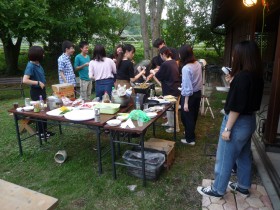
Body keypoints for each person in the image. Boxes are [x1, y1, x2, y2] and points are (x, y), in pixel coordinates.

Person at [197, 40, 264, 198]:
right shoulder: (256, 76)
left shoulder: (242, 77)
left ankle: (217, 190)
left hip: (237, 123)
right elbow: (244, 97)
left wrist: (227, 128)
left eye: (235, 55)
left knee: (225, 157)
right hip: (249, 122)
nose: (234, 58)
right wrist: (233, 82)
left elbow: (236, 106)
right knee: (244, 155)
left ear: (242, 56)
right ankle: (243, 186)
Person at [23, 46, 54, 140]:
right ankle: (40, 133)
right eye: (42, 54)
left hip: (41, 90)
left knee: (44, 111)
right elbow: (25, 80)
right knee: (39, 112)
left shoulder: (37, 64)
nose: (43, 55)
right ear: (37, 55)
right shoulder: (30, 66)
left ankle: (44, 130)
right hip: (36, 92)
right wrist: (37, 82)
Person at [148, 46, 181, 133]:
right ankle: (170, 123)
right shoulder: (174, 62)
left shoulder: (165, 64)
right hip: (176, 88)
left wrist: (153, 72)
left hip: (170, 90)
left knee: (172, 110)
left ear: (163, 54)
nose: (161, 57)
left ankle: (175, 128)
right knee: (171, 109)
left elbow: (159, 76)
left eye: (161, 55)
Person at [178, 44, 203, 146]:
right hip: (197, 93)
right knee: (193, 116)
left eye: (180, 53)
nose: (179, 55)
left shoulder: (186, 68)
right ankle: (189, 132)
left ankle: (190, 139)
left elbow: (187, 87)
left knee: (186, 116)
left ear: (184, 55)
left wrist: (186, 103)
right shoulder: (197, 63)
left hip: (190, 95)